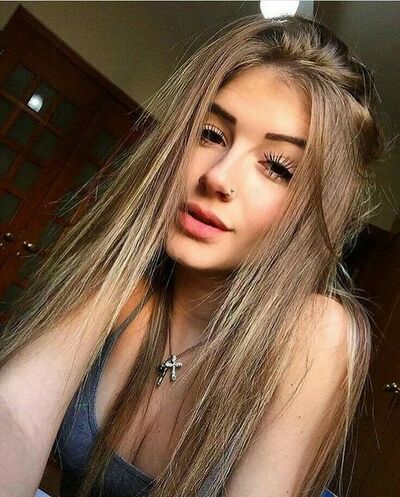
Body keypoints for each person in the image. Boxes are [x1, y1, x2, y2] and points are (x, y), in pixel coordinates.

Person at [0, 12, 386, 497]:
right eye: (211, 134)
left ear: (316, 208)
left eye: (278, 167)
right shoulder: (123, 284)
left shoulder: (315, 331)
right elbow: (14, 417)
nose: (218, 177)